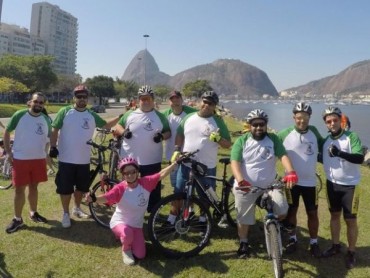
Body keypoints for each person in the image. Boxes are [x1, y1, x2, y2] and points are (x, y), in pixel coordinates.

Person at [49, 85, 121, 228]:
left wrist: (120, 117)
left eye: (84, 97)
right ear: (74, 98)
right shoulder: (65, 111)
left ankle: (76, 208)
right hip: (66, 159)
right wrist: (52, 147)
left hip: (83, 160)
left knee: (81, 188)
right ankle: (65, 214)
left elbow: (106, 125)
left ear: (87, 98)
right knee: (65, 189)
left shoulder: (91, 114)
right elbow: (55, 129)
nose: (82, 99)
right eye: (79, 96)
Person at [85, 157, 180, 265]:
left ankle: (125, 238)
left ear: (137, 171)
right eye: (126, 173)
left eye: (133, 172)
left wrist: (175, 163)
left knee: (140, 255)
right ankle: (125, 249)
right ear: (123, 174)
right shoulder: (120, 189)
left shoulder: (146, 183)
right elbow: (106, 197)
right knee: (127, 233)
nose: (130, 175)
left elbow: (161, 174)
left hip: (136, 225)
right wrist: (94, 199)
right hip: (120, 222)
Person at [230, 109, 298, 258]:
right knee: (243, 217)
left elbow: (283, 156)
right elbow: (234, 162)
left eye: (262, 124)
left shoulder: (273, 139)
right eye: (255, 124)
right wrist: (241, 180)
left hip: (270, 184)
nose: (259, 127)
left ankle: (274, 228)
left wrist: (290, 171)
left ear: (266, 125)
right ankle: (243, 242)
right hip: (246, 186)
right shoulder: (242, 141)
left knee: (282, 210)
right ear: (250, 126)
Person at [167, 91, 231, 226]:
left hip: (207, 166)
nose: (207, 105)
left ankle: (203, 221)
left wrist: (218, 139)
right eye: (205, 101)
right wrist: (177, 149)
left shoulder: (218, 121)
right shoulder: (189, 117)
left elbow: (228, 144)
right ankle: (171, 219)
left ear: (215, 106)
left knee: (205, 197)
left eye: (211, 103)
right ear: (200, 101)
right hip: (186, 164)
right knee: (179, 192)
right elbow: (179, 134)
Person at [114, 85, 171, 212]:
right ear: (138, 100)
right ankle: (128, 211)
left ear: (153, 100)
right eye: (143, 99)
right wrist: (123, 132)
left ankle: (153, 212)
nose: (145, 101)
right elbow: (118, 125)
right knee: (129, 187)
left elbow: (168, 132)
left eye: (148, 99)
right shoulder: (130, 114)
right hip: (130, 160)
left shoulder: (160, 117)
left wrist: (161, 136)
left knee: (153, 188)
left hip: (152, 160)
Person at [278, 102, 323, 257]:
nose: (302, 121)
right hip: (292, 182)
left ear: (310, 117)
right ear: (293, 117)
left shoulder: (314, 132)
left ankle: (314, 242)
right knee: (292, 211)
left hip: (310, 182)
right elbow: (270, 146)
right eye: (298, 118)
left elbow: (326, 145)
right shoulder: (284, 133)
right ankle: (292, 239)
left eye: (305, 118)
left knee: (312, 213)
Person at [321, 106, 364, 269]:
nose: (332, 123)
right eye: (328, 121)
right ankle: (335, 246)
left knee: (350, 220)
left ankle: (351, 252)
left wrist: (340, 153)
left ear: (341, 120)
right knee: (334, 216)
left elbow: (359, 158)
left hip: (350, 186)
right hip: (331, 185)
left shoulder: (351, 136)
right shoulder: (325, 141)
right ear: (326, 124)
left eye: (335, 120)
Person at [4, 92, 52, 233]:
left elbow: (48, 139)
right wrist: (8, 152)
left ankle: (33, 213)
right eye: (36, 101)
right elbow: (7, 133)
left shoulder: (45, 119)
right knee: (19, 190)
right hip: (20, 159)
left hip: (38, 160)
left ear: (43, 105)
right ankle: (17, 219)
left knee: (34, 187)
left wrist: (46, 154)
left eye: (41, 103)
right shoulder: (19, 115)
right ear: (30, 102)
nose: (38, 104)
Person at [162, 90, 197, 188]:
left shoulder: (191, 113)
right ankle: (177, 202)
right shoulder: (165, 115)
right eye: (172, 99)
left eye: (177, 99)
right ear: (169, 102)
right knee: (175, 185)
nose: (175, 102)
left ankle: (188, 203)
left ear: (182, 100)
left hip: (188, 155)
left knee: (188, 186)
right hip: (172, 155)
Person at [41, 108, 57, 176]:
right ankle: (46, 168)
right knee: (45, 153)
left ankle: (51, 169)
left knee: (44, 154)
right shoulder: (48, 117)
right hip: (49, 137)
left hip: (44, 137)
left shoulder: (42, 118)